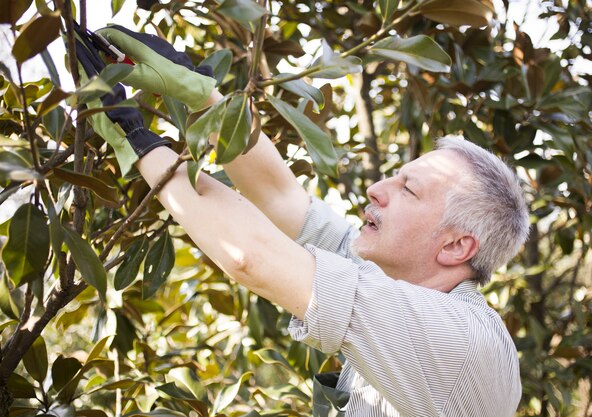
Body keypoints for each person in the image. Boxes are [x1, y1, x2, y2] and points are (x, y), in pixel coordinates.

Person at [76, 25, 530, 417]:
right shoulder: (390, 277)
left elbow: (251, 257)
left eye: (408, 190)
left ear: (455, 247)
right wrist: (204, 95)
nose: (377, 189)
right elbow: (280, 197)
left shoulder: (461, 342)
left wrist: (135, 139)